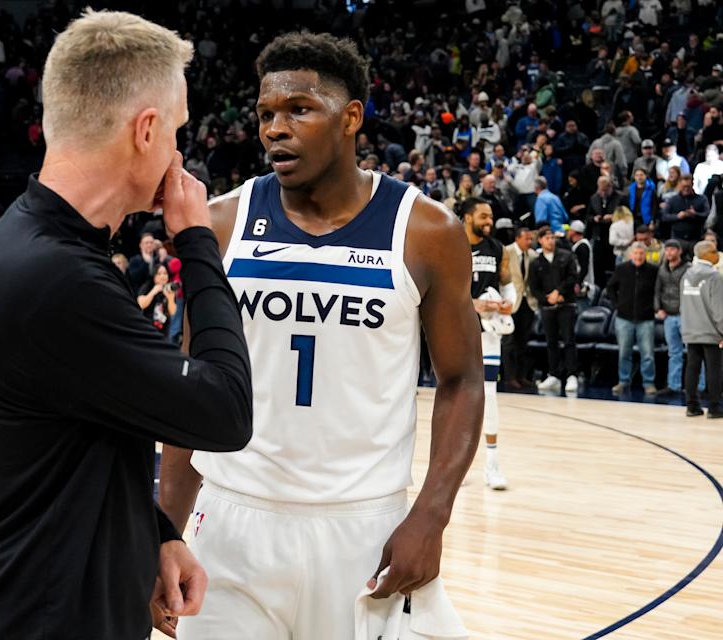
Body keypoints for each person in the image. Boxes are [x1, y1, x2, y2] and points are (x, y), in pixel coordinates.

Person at [0, 12, 254, 640]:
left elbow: (86, 434)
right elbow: (225, 409)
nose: (178, 153)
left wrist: (154, 535)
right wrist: (196, 242)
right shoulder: (59, 278)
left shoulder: (36, 243)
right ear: (145, 130)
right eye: (176, 131)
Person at [160, 31, 480, 640]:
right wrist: (165, 532)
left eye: (299, 110)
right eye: (265, 114)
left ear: (350, 118)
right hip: (232, 523)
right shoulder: (222, 223)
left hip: (366, 528)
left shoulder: (425, 231)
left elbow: (462, 380)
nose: (275, 128)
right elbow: (191, 384)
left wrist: (431, 517)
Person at [461, 197, 513, 489]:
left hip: (489, 330)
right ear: (467, 217)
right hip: (457, 328)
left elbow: (507, 285)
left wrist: (508, 302)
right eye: (483, 216)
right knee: (459, 396)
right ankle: (457, 467)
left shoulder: (497, 249)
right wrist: (471, 304)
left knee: (489, 394)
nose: (488, 221)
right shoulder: (452, 243)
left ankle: (492, 464)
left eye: (490, 216)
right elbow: (440, 291)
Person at [530, 227, 580, 393]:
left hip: (566, 304)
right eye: (547, 238)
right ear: (541, 241)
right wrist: (547, 298)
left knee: (568, 340)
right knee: (551, 342)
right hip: (547, 307)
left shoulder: (566, 255)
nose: (550, 240)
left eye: (552, 237)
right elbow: (534, 288)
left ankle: (572, 375)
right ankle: (554, 374)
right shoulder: (536, 262)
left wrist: (559, 292)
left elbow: (573, 277)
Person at [606, 242, 659, 395]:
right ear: (630, 255)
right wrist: (617, 304)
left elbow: (658, 290)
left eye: (641, 254)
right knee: (624, 352)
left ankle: (649, 383)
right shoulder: (621, 269)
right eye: (635, 253)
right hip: (624, 317)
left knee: (648, 353)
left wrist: (654, 307)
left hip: (646, 318)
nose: (638, 256)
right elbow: (610, 287)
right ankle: (623, 381)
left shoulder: (653, 270)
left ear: (645, 255)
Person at [680, 240, 723, 418]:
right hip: (711, 331)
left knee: (692, 368)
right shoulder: (714, 277)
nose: (717, 254)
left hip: (690, 329)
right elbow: (719, 309)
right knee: (714, 370)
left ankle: (691, 406)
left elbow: (683, 305)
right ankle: (714, 408)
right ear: (705, 255)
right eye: (714, 251)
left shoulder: (686, 275)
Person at [503, 226, 538, 390]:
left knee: (523, 342)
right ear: (517, 239)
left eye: (531, 239)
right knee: (509, 342)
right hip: (511, 301)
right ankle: (509, 377)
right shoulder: (506, 252)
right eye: (527, 239)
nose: (529, 242)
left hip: (527, 302)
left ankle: (521, 376)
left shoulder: (532, 255)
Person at [655, 239, 690, 396]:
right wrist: (658, 308)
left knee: (694, 352)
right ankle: (673, 385)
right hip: (669, 315)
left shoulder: (688, 268)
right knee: (673, 352)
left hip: (686, 316)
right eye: (667, 249)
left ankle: (698, 386)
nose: (669, 252)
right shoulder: (662, 268)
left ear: (679, 251)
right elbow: (657, 290)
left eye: (672, 250)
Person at [663, 174, 709, 244]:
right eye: (684, 186)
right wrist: (677, 216)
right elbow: (665, 216)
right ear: (679, 185)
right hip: (677, 238)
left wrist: (695, 214)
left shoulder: (702, 199)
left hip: (696, 238)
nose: (686, 189)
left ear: (692, 185)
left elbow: (707, 214)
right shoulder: (672, 200)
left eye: (688, 187)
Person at [137, 262, 178, 334]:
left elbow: (172, 312)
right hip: (146, 329)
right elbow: (141, 304)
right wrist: (153, 292)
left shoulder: (169, 289)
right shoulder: (147, 286)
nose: (162, 276)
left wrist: (170, 298)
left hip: (163, 332)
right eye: (159, 274)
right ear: (154, 275)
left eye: (165, 273)